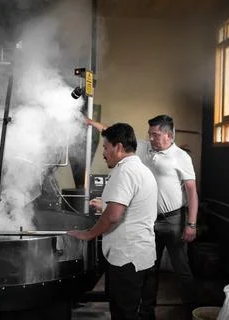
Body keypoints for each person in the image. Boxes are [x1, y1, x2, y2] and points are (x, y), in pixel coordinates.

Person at [87, 115, 199, 317]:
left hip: (174, 219)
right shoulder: (144, 147)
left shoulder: (182, 157)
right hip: (149, 220)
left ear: (169, 135)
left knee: (182, 268)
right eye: (149, 134)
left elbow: (192, 192)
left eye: (155, 135)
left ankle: (192, 309)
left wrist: (191, 224)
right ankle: (147, 312)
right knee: (149, 269)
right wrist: (93, 123)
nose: (151, 138)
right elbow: (116, 134)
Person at [68, 123, 158, 320]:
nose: (103, 153)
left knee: (124, 314)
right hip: (143, 255)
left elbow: (114, 216)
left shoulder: (124, 171)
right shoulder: (141, 169)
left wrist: (88, 234)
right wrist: (106, 205)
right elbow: (130, 207)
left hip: (127, 258)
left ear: (118, 147)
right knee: (141, 312)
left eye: (105, 147)